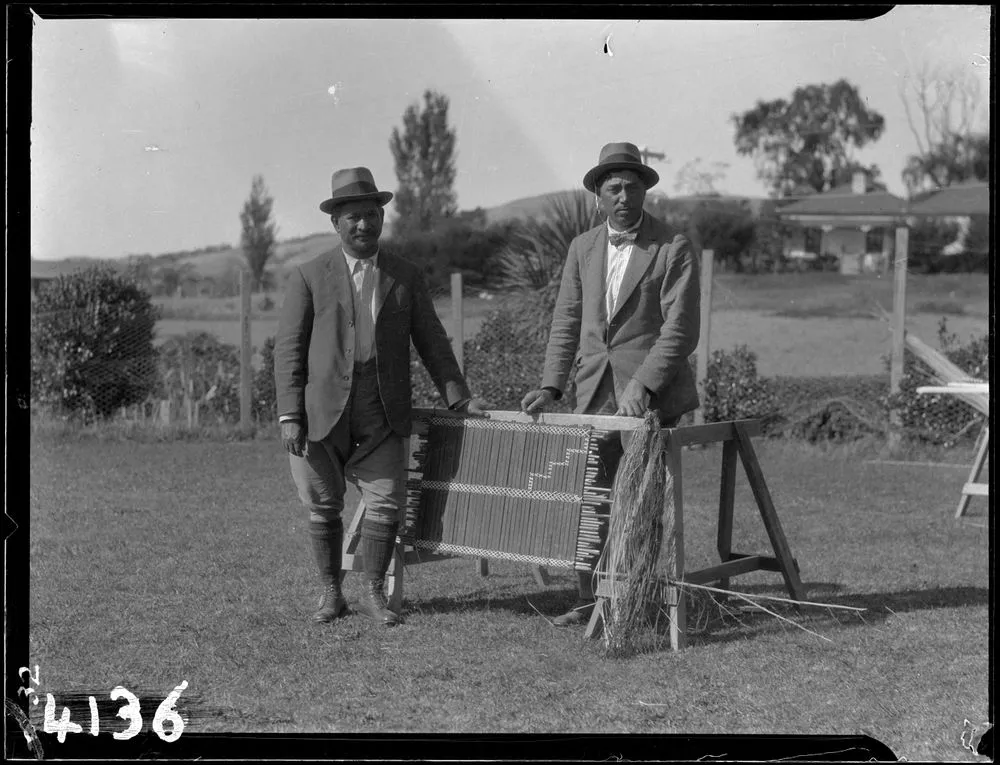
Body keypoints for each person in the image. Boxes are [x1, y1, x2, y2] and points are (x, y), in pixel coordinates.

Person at [274, 166, 487, 628]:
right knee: (323, 503)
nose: (363, 225)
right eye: (352, 217)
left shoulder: (404, 276)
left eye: (371, 214)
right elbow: (289, 348)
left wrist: (459, 398)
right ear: (336, 223)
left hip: (383, 410)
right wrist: (290, 413)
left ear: (382, 217)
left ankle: (373, 592)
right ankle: (332, 594)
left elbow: (432, 340)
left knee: (387, 500)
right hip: (319, 414)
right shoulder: (309, 276)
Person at [520, 142, 701, 626]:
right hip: (591, 391)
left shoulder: (672, 246)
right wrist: (552, 387)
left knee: (640, 500)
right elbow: (567, 322)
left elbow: (680, 329)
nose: (624, 196)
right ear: (598, 196)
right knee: (590, 497)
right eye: (613, 188)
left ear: (646, 191)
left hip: (650, 397)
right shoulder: (582, 248)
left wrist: (644, 384)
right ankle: (589, 601)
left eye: (633, 186)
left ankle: (634, 602)